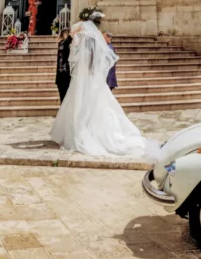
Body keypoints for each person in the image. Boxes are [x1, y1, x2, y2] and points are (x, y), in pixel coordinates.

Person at [50, 14, 156, 157]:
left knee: (78, 106)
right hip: (94, 82)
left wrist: (74, 36)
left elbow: (72, 60)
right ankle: (102, 133)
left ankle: (79, 133)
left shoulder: (79, 52)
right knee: (100, 107)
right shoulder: (94, 54)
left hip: (80, 82)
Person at [55, 28, 72, 102]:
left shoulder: (64, 45)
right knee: (63, 95)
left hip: (64, 75)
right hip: (63, 74)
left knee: (65, 96)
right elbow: (67, 41)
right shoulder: (62, 43)